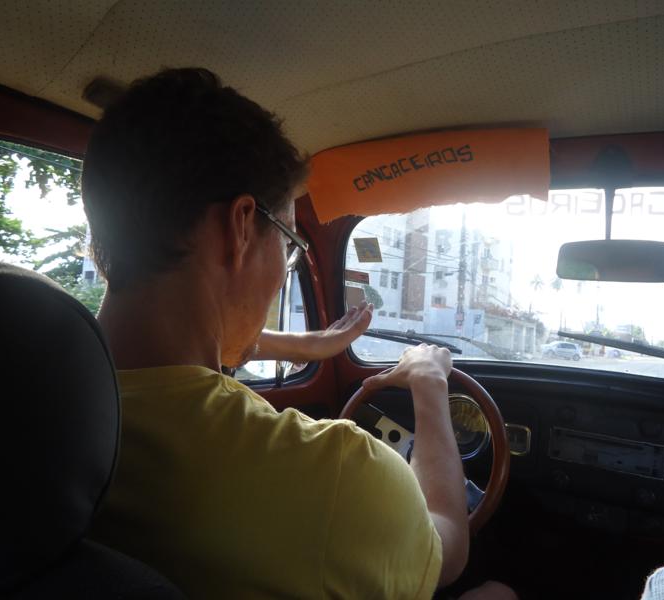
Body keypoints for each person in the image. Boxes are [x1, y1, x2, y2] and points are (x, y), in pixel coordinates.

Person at [84, 67, 515, 599]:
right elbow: (447, 546)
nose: (284, 267)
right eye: (290, 243)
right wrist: (428, 384)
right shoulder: (336, 473)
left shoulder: (32, 400)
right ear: (241, 227)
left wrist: (301, 344)